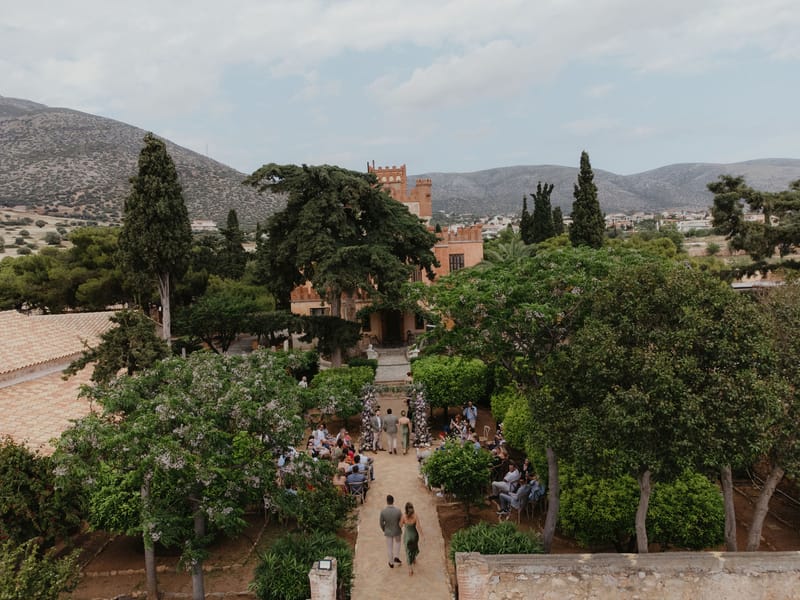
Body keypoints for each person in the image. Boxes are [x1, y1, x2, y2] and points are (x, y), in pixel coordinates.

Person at [379, 495, 403, 568]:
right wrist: (400, 527)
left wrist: (384, 529)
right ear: (393, 501)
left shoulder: (383, 511)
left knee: (389, 547)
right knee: (398, 544)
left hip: (388, 531)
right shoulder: (398, 511)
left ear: (387, 501)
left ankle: (391, 562)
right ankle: (396, 556)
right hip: (397, 530)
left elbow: (381, 523)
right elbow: (401, 521)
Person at [400, 502, 422, 575]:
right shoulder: (415, 516)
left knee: (408, 551)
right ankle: (414, 559)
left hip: (407, 536)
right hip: (415, 535)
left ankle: (410, 570)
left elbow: (400, 525)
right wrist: (422, 535)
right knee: (414, 547)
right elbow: (418, 527)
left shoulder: (403, 516)